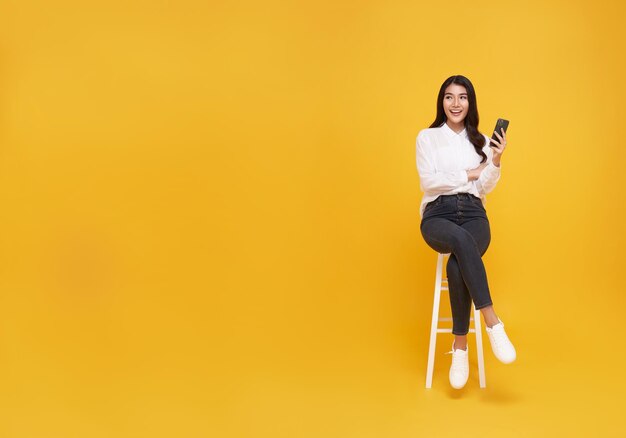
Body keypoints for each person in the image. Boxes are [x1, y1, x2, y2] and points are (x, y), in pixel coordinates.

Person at [416, 75, 516, 390]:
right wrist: (468, 173)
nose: (456, 103)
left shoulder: (483, 142)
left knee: (458, 261)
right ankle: (492, 321)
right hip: (437, 214)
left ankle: (460, 347)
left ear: (470, 102)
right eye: (449, 97)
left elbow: (484, 186)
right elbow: (429, 182)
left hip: (474, 213)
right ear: (441, 101)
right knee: (459, 241)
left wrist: (495, 162)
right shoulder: (427, 137)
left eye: (462, 97)